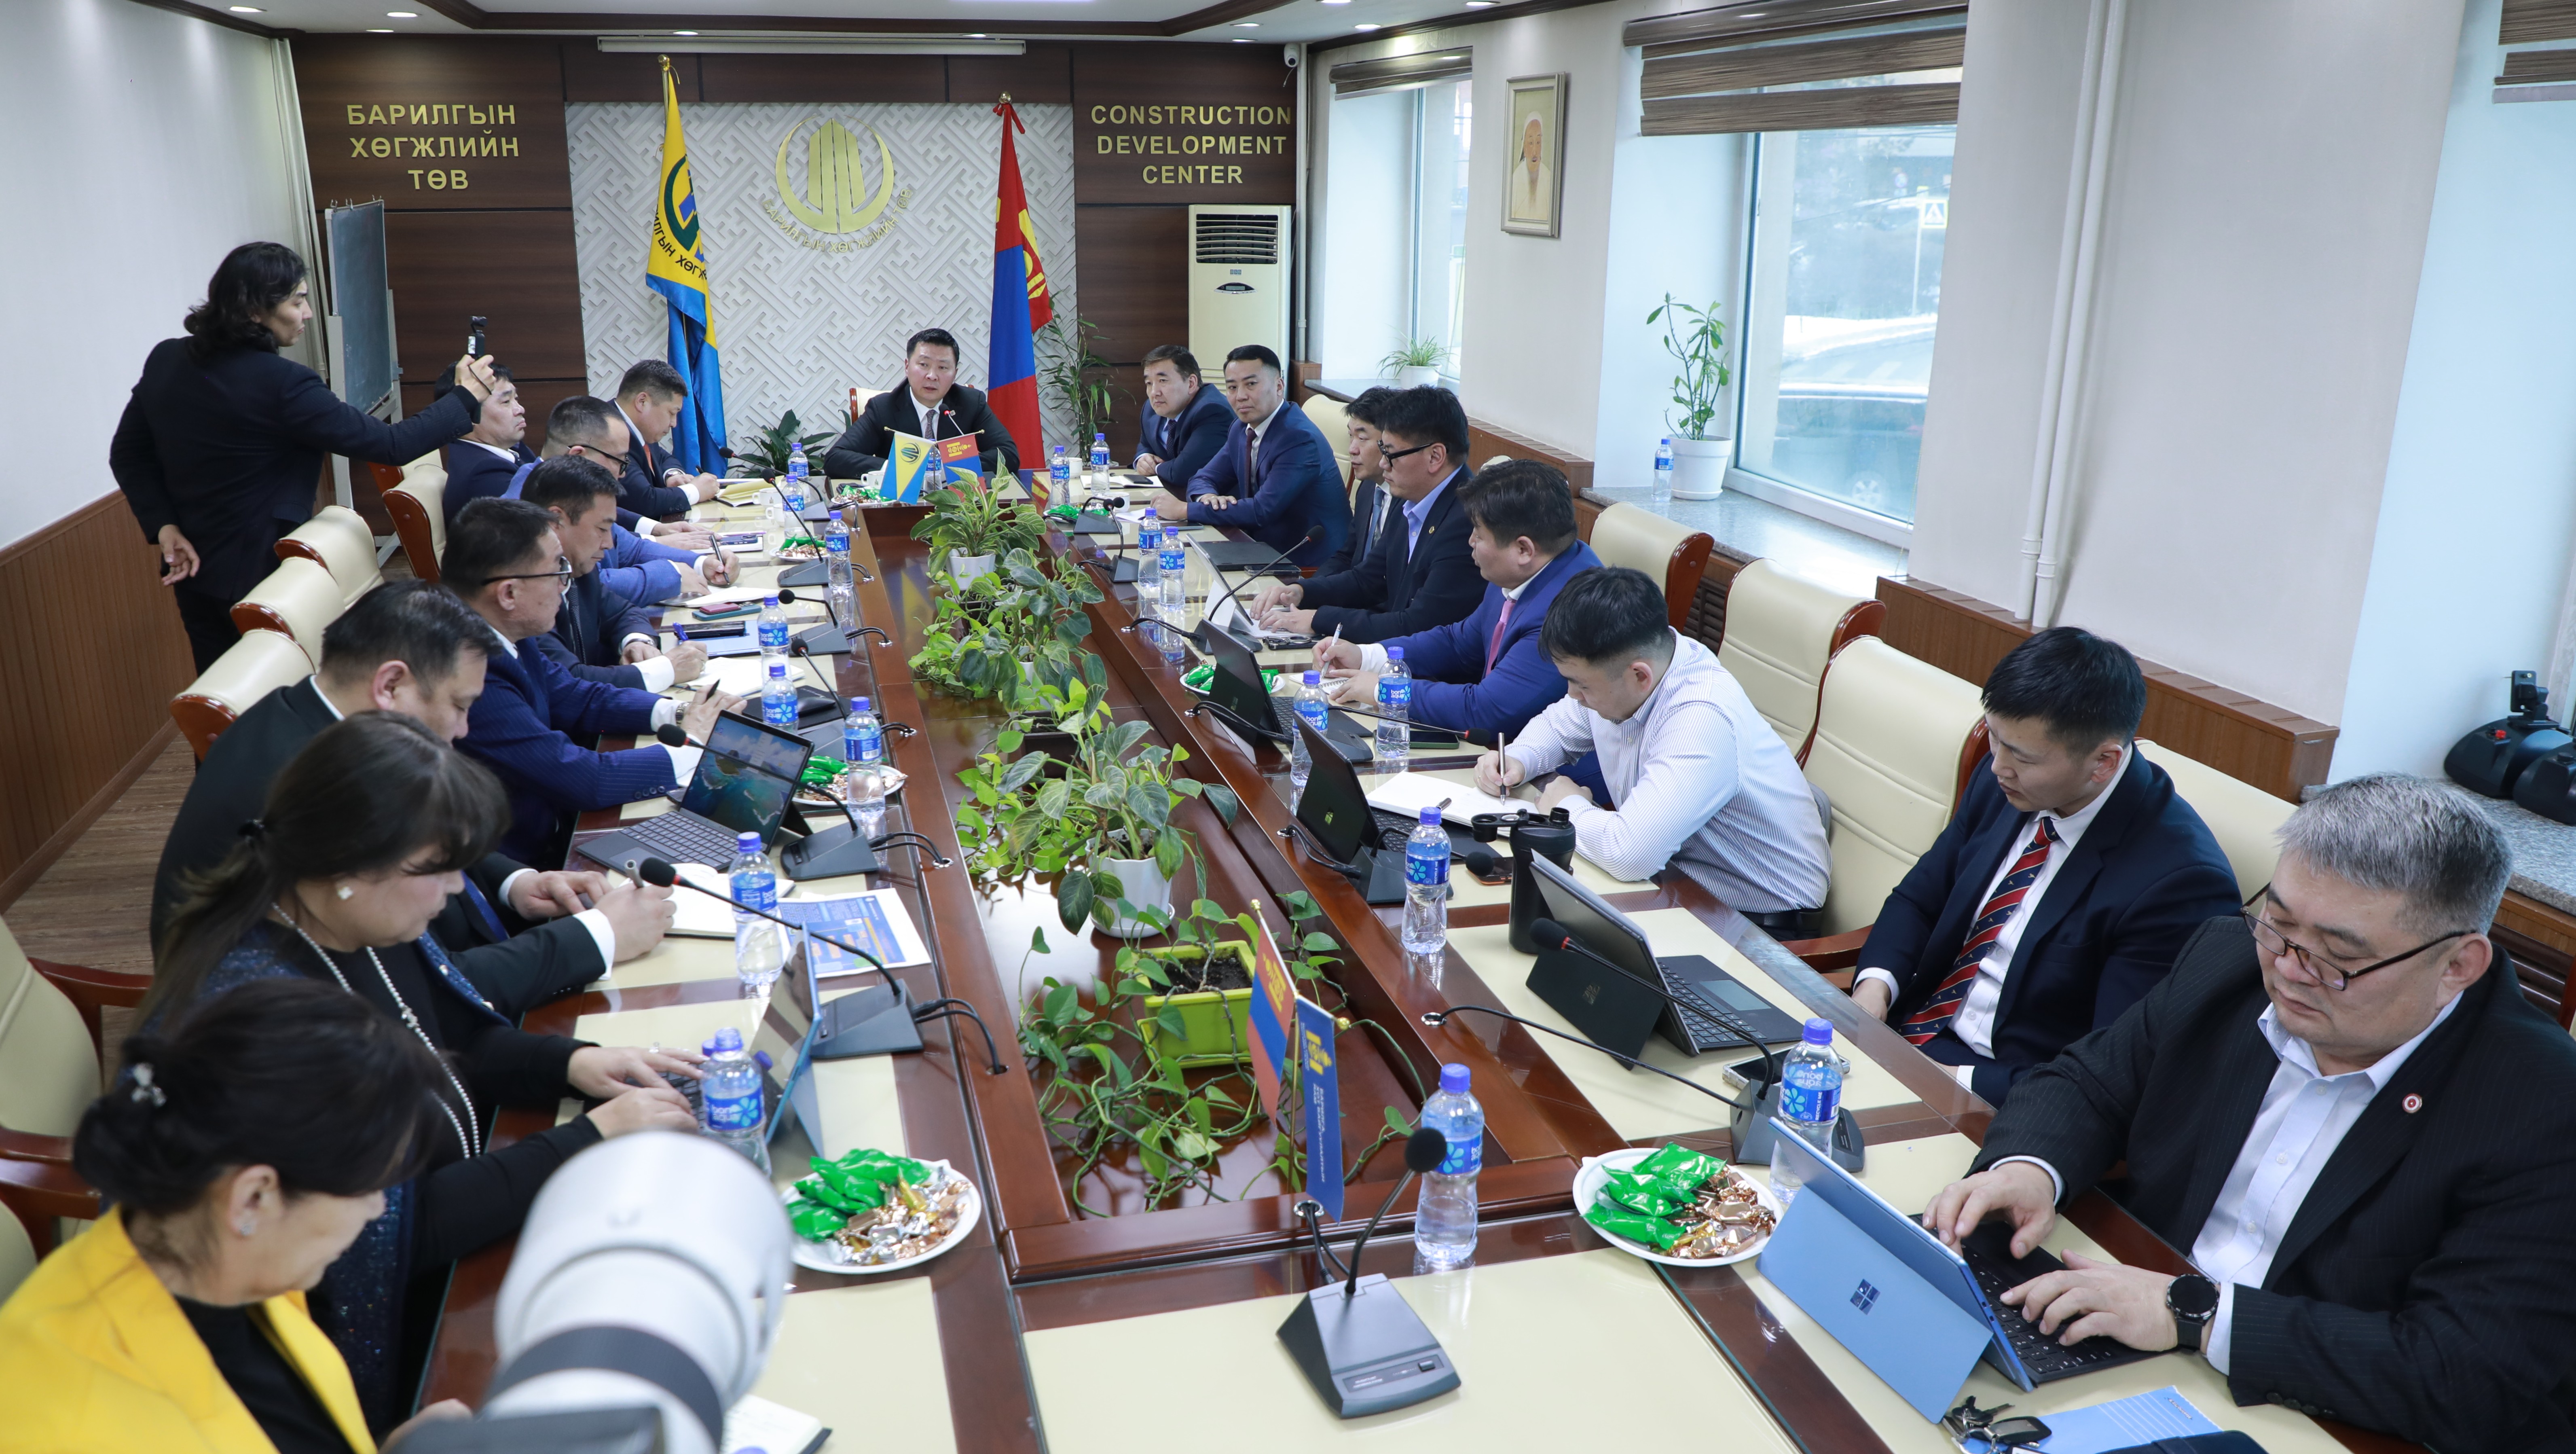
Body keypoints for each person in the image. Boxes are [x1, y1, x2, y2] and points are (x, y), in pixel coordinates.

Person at [1923, 775, 2576, 1453]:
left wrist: (2196, 1315)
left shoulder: (2543, 1105)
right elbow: (2091, 1081)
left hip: (2334, 1419)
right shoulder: (2227, 961)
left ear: (2458, 965)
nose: (2289, 969)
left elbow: (2467, 1374)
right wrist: (2029, 1169)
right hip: (2138, 1356)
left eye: (2338, 957)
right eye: (2279, 923)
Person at [142, 713, 701, 1429]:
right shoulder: (270, 1024)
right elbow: (395, 1230)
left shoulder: (347, 918)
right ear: (351, 867)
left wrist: (576, 1062)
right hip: (386, 1334)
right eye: (440, 868)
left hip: (467, 1225)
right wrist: (587, 1140)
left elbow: (453, 1036)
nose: (459, 889)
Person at [151, 578, 674, 1019]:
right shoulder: (316, 790)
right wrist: (599, 936)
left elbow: (418, 841)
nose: (464, 728)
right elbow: (426, 991)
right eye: (460, 705)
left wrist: (517, 883)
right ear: (392, 686)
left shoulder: (305, 715)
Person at [0, 978, 472, 1453]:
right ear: (253, 1197)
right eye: (368, 1188)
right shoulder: (65, 1429)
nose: (377, 1210)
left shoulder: (236, 1258)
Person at [1848, 626, 2240, 1103]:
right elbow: (1920, 898)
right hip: (1911, 1034)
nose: (1998, 766)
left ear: (2103, 762)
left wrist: (1944, 1079)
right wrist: (1872, 994)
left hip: (2010, 1094)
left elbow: (2112, 1068)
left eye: (2023, 757)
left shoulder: (2180, 882)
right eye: (1995, 738)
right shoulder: (2005, 782)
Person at [110, 241, 498, 671]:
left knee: (228, 693)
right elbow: (392, 446)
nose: (309, 313)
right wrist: (465, 397)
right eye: (297, 301)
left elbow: (127, 453)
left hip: (197, 574)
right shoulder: (285, 384)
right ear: (254, 310)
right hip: (267, 577)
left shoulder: (168, 358)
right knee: (287, 690)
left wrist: (164, 525)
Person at [1476, 567, 1830, 929]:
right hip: (1674, 887)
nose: (1573, 695)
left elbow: (1629, 854)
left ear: (1639, 676)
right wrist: (1518, 759)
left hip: (1756, 926)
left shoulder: (1702, 716)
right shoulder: (1630, 671)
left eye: (1581, 685)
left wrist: (1566, 807)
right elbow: (1558, 725)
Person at [444, 498, 740, 864]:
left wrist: (680, 713)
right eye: (557, 571)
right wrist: (692, 745)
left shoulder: (502, 632)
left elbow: (575, 697)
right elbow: (585, 779)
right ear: (508, 593)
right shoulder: (473, 671)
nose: (565, 585)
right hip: (532, 863)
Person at [1313, 459, 1600, 741]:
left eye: (1479, 534)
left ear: (1523, 550)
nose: (1470, 541)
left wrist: (1386, 689)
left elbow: (1486, 711)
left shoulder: (1571, 610)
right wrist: (1367, 656)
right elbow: (1458, 643)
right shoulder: (1523, 571)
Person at [1252, 385, 1482, 644]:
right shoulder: (1413, 500)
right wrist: (1301, 592)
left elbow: (1418, 625)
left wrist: (1318, 619)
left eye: (1391, 454)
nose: (1384, 464)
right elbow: (1367, 579)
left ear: (1435, 456)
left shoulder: (1467, 522)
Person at [520, 456, 708, 692]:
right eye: (602, 529)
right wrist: (666, 670)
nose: (609, 544)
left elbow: (622, 612)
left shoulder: (576, 566)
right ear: (556, 520)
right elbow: (568, 682)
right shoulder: (523, 587)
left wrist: (637, 641)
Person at [1155, 344, 1349, 571]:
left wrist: (1185, 510)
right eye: (1232, 387)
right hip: (1259, 549)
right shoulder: (1241, 428)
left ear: (1279, 386)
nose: (1241, 396)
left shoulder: (1299, 439)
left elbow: (1261, 511)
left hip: (1307, 564)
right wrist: (1207, 497)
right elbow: (1203, 477)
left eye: (1251, 385)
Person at [535, 394, 733, 600]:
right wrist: (670, 575)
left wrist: (703, 564)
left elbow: (630, 549)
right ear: (579, 457)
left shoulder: (575, 491)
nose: (623, 474)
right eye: (620, 461)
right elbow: (582, 587)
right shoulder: (529, 506)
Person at [823, 328, 1022, 480]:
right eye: (924, 365)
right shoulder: (883, 408)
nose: (932, 376)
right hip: (900, 508)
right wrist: (896, 469)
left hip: (960, 509)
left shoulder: (971, 403)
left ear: (955, 373)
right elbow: (836, 459)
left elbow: (1008, 454)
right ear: (907, 366)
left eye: (943, 367)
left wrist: (947, 469)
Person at [609, 360, 726, 521]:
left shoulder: (638, 427)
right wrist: (695, 491)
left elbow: (663, 457)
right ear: (642, 402)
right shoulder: (607, 433)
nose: (674, 423)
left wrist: (672, 476)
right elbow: (643, 501)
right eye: (672, 413)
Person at [1310, 386, 1395, 580]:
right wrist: (1307, 589)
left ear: (1390, 442)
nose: (1352, 449)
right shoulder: (1368, 488)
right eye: (1351, 436)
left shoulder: (1409, 502)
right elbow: (1346, 556)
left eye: (1362, 438)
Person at [1131, 344, 1235, 496]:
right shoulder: (1151, 409)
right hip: (1168, 496)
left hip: (1213, 502)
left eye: (1163, 381)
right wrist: (1143, 459)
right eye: (1149, 383)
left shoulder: (1213, 411)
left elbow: (1183, 472)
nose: (1154, 393)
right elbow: (1146, 444)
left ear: (1191, 384)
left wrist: (1155, 468)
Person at [438, 365, 534, 525]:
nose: (520, 409)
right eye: (506, 401)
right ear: (467, 415)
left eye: (516, 399)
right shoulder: (486, 474)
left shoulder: (510, 449)